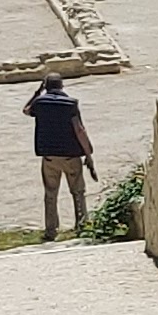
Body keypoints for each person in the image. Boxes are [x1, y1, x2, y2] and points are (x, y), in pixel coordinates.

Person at [26, 73, 95, 238]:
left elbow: (26, 110)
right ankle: (82, 226)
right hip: (70, 155)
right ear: (62, 86)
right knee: (78, 192)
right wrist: (89, 154)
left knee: (51, 194)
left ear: (46, 87)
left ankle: (51, 231)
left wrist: (37, 92)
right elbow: (79, 130)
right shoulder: (70, 104)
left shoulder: (40, 103)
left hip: (49, 156)